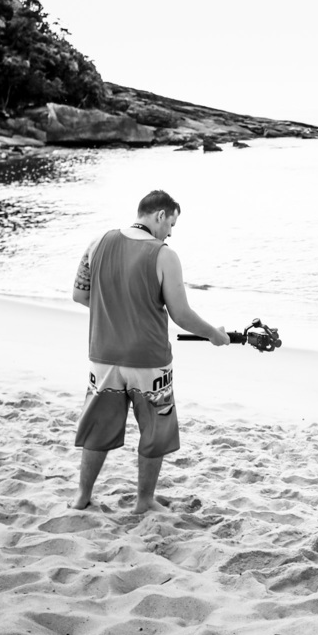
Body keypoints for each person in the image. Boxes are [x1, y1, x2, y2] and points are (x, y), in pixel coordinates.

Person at [70, 190, 230, 514]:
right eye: (171, 223)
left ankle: (82, 497)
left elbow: (79, 295)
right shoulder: (164, 255)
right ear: (160, 215)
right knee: (155, 431)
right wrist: (214, 334)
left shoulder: (98, 242)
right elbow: (181, 314)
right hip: (148, 361)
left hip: (103, 356)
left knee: (97, 428)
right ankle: (144, 501)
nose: (170, 232)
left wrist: (115, 310)